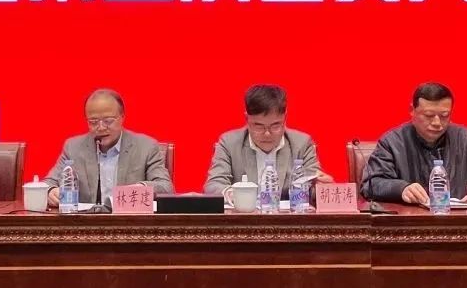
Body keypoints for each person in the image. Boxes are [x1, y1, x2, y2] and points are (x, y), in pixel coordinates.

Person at [361, 82, 467, 204]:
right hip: (410, 222)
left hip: (459, 220)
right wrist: (401, 189)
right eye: (429, 115)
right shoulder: (392, 142)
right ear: (412, 110)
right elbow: (371, 184)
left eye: (444, 116)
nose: (437, 123)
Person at [44, 89, 174, 207]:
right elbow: (48, 183)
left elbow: (166, 187)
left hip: (131, 222)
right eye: (93, 122)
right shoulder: (73, 147)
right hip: (85, 223)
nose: (101, 127)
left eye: (108, 121)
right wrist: (51, 191)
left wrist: (139, 188)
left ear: (122, 117)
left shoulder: (146, 147)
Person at [204, 84, 330, 199]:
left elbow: (314, 186)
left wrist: (322, 188)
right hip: (244, 214)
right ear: (247, 119)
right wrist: (240, 196)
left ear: (285, 118)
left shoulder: (302, 144)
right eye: (259, 126)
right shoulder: (229, 143)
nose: (267, 134)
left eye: (275, 125)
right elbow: (213, 185)